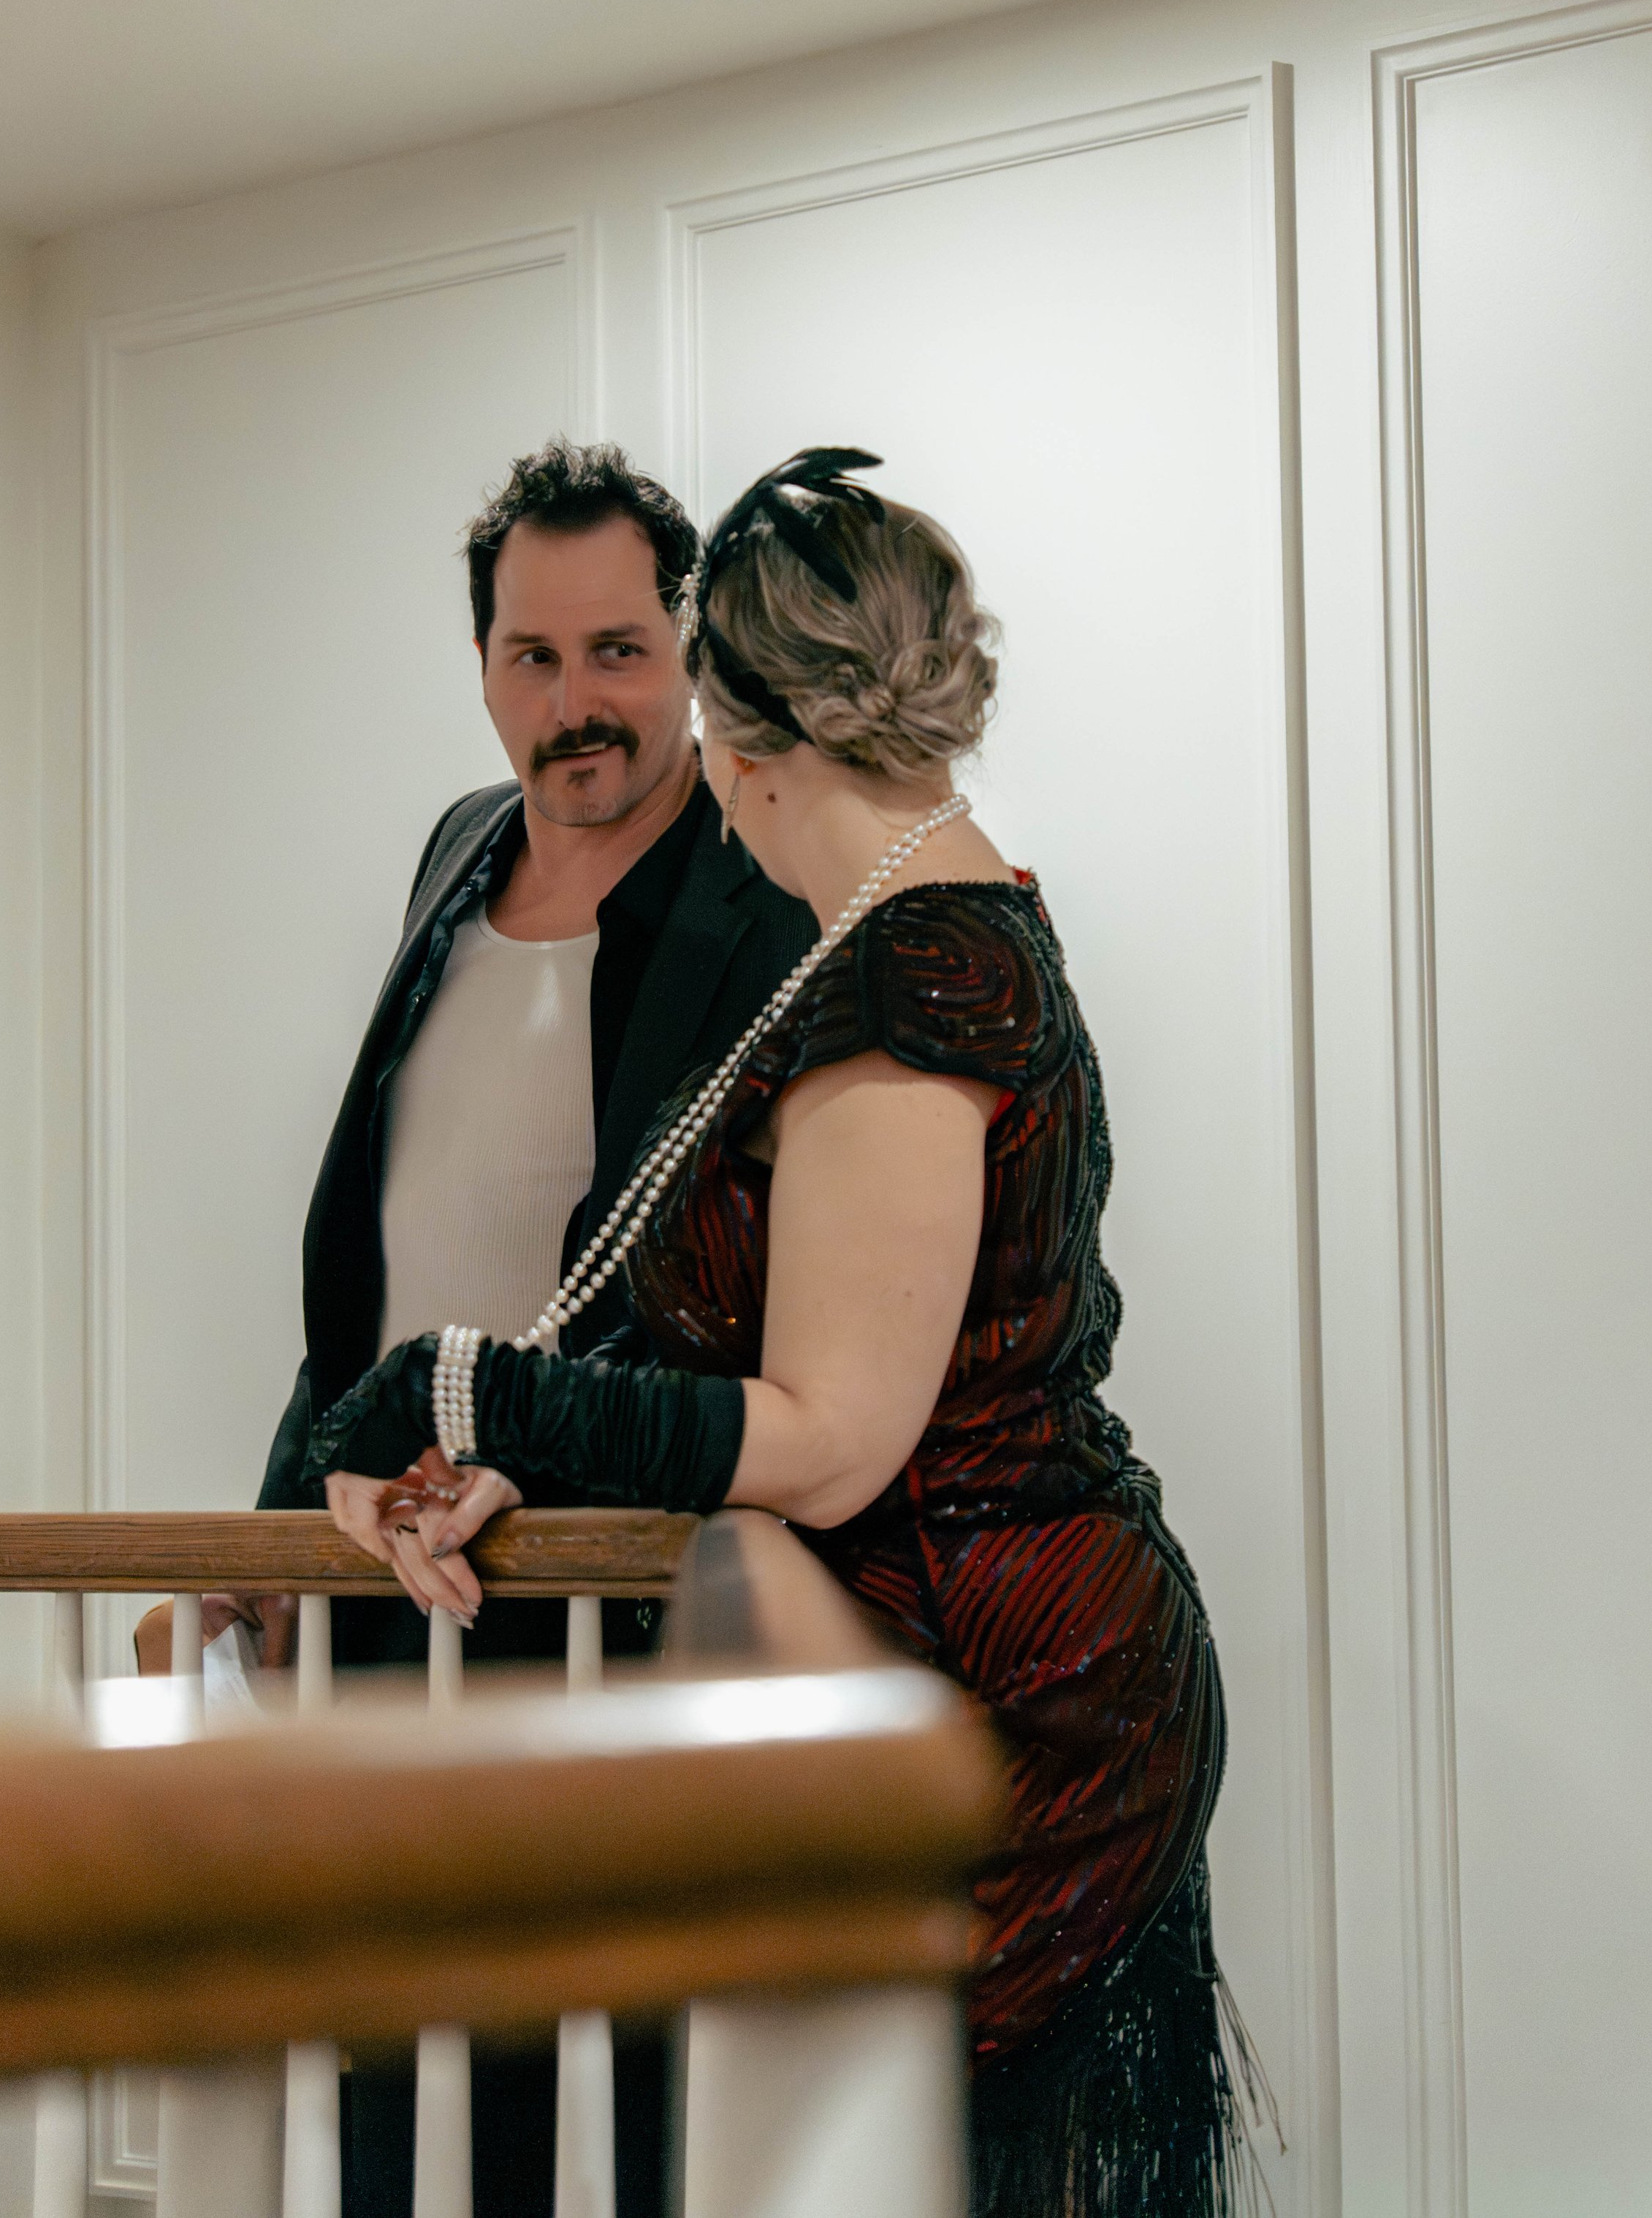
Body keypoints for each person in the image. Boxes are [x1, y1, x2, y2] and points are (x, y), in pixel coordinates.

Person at [311, 450, 1255, 2217]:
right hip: (962, 1664)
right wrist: (497, 1435)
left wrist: (444, 1382)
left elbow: (828, 1429)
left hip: (1016, 1708)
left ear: (736, 739)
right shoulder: (903, 932)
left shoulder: (913, 964)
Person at [238, 438, 816, 2218]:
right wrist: (267, 1535)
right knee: (393, 2109)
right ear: (483, 664)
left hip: (596, 1589)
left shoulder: (765, 886)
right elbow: (379, 1263)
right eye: (531, 656)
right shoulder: (449, 853)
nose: (576, 705)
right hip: (379, 1584)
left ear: (690, 649)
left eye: (619, 651)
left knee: (613, 2121)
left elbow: (739, 1284)